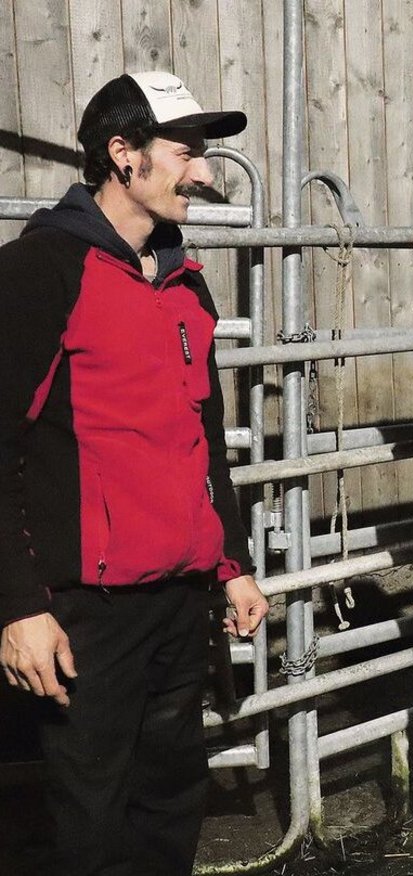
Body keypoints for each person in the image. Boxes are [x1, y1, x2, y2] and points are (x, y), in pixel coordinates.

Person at [0, 71, 269, 874]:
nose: (208, 174)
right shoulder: (42, 270)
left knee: (170, 802)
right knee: (88, 819)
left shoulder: (184, 283)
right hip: (86, 611)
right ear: (123, 154)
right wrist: (18, 607)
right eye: (187, 152)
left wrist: (235, 564)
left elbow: (206, 437)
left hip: (179, 603)